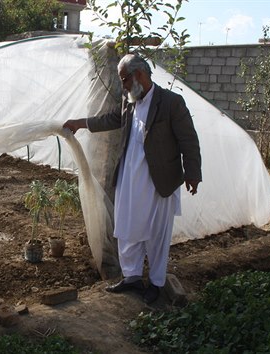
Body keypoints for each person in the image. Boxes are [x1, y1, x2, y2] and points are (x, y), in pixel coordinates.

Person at [63, 54, 201, 304]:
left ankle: (157, 283)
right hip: (129, 177)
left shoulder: (171, 102)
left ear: (139, 75)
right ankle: (132, 277)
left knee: (157, 233)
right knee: (127, 228)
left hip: (159, 180)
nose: (123, 85)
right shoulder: (130, 102)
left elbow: (188, 140)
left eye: (124, 79)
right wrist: (79, 123)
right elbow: (110, 119)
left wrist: (192, 173)